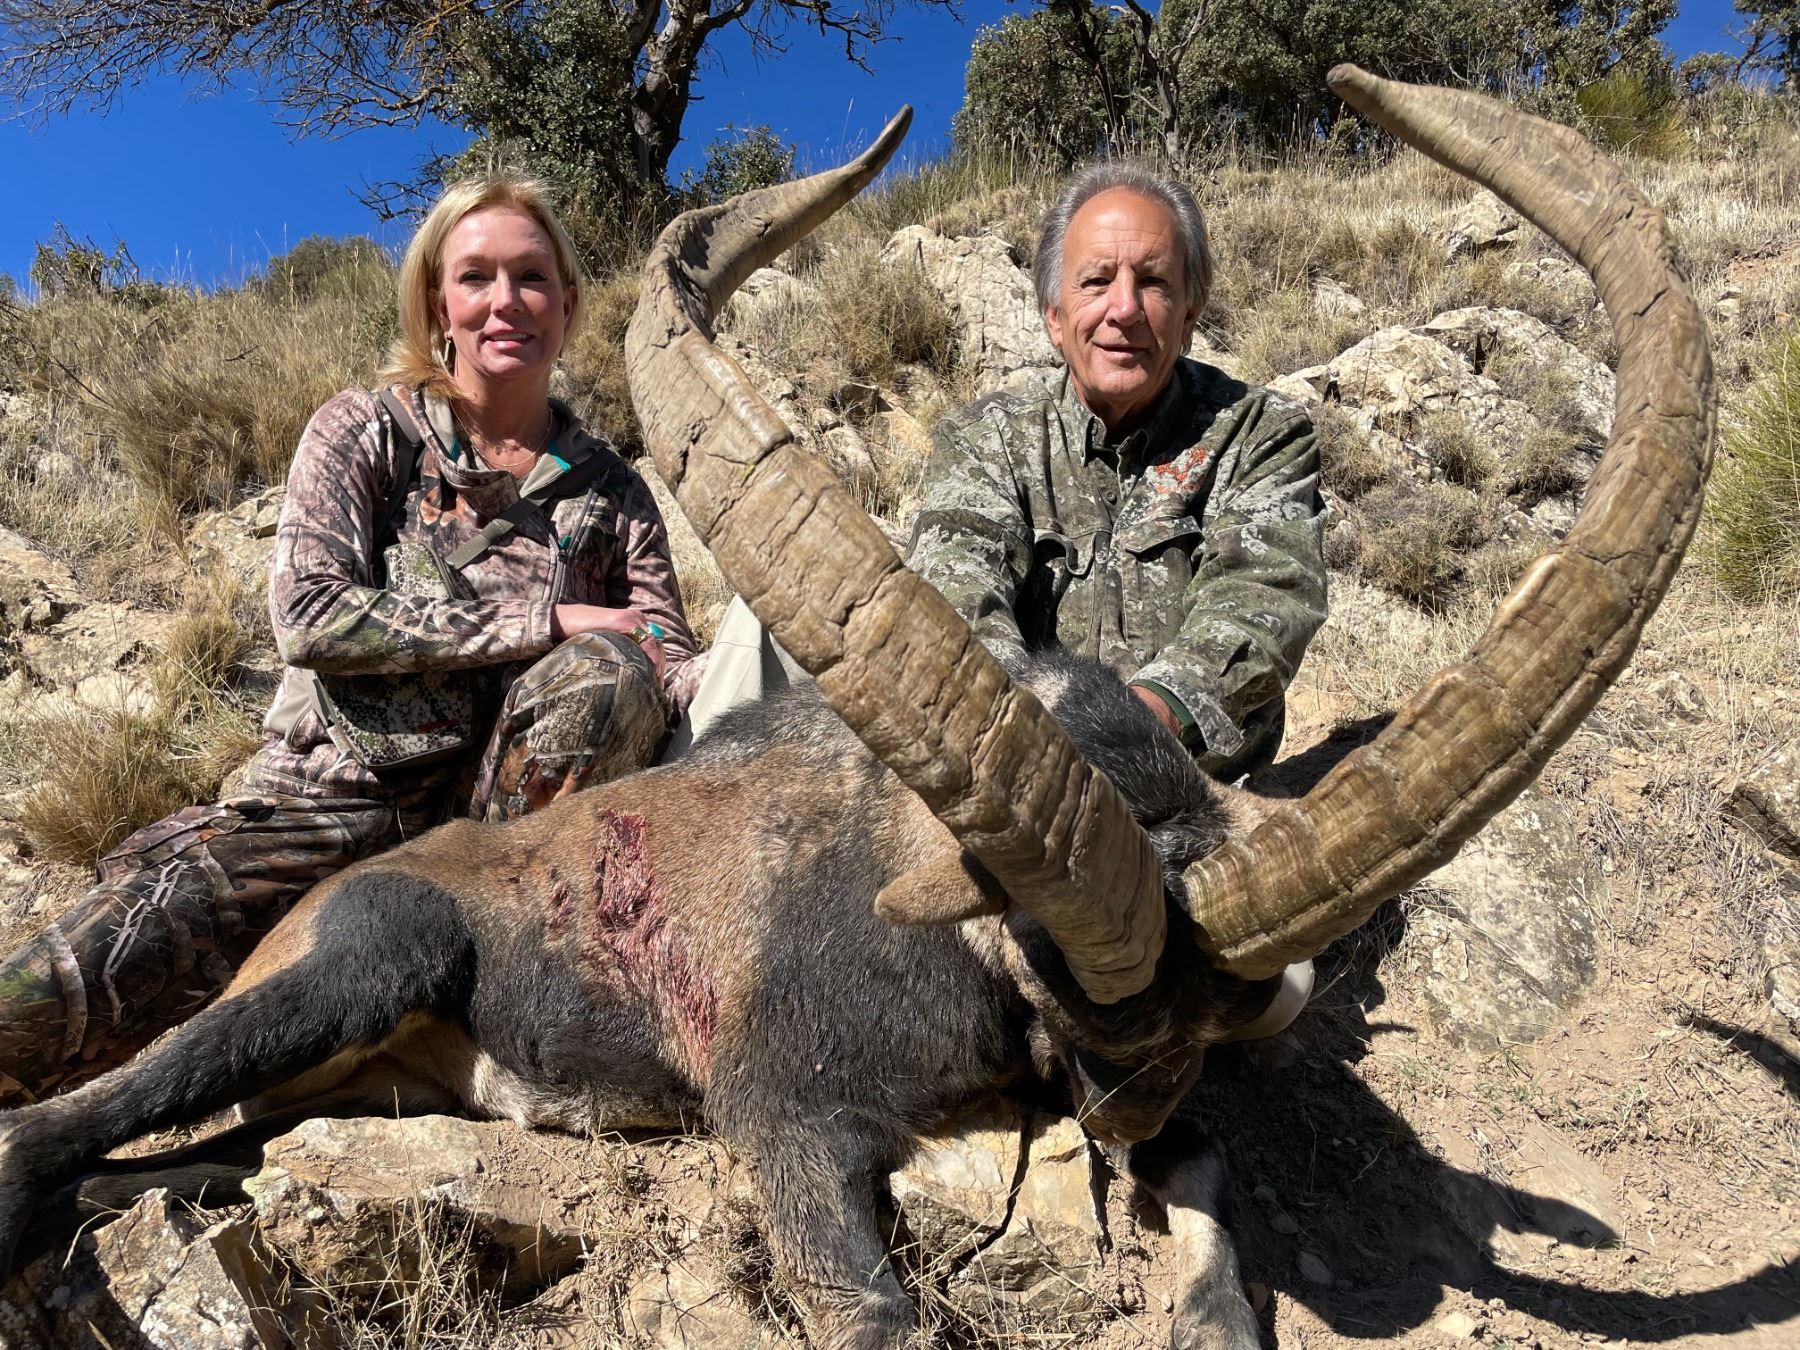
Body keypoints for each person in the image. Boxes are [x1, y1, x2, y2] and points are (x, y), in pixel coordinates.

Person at [0, 175, 703, 1105]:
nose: (506, 301)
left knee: (611, 675)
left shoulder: (614, 493)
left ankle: (495, 999)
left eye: (533, 277)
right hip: (323, 806)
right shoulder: (365, 431)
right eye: (476, 277)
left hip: (494, 863)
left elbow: (665, 658)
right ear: (437, 304)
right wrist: (543, 620)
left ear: (568, 304)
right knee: (48, 1002)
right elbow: (309, 613)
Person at [908, 162, 1328, 785]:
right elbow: (952, 602)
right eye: (1097, 281)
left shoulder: (1261, 433)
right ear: (1054, 317)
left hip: (1199, 793)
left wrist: (1129, 729)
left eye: (1153, 282)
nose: (1125, 309)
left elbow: (1262, 599)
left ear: (1188, 316)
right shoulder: (983, 439)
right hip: (1016, 780)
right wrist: (1025, 747)